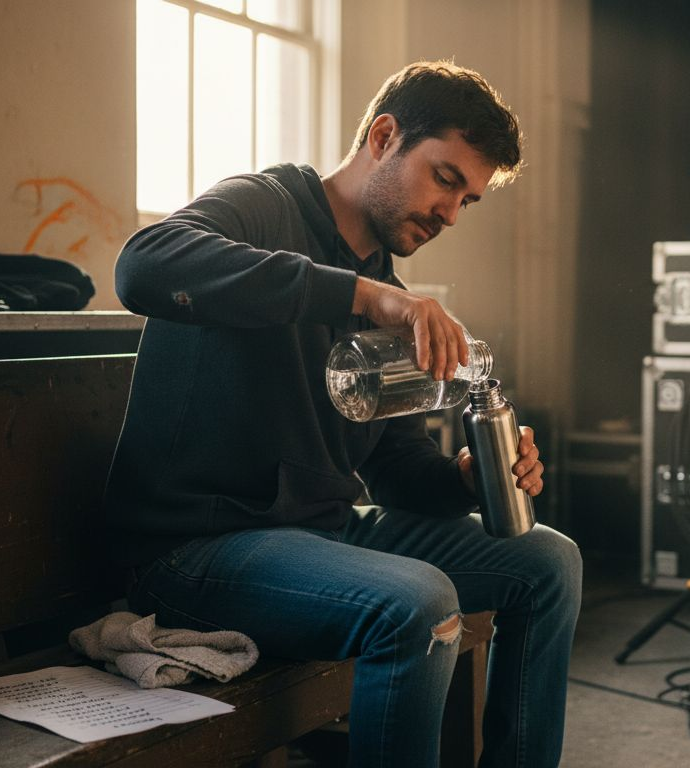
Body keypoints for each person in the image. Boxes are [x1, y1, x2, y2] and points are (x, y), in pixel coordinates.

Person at [104, 60, 582, 767]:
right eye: (446, 179)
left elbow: (395, 471)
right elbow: (142, 266)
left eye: (468, 200)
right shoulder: (264, 205)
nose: (451, 213)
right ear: (384, 136)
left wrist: (465, 479)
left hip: (322, 538)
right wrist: (363, 297)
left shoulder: (388, 291)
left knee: (549, 561)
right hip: (195, 551)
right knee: (416, 601)